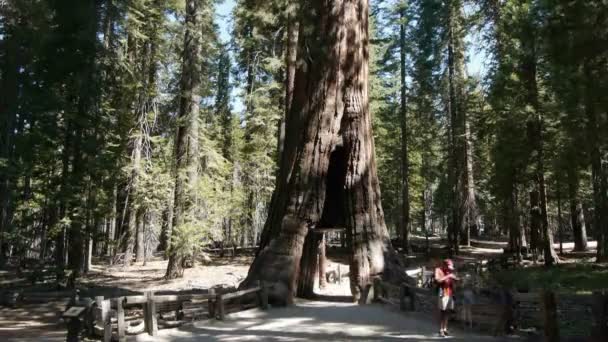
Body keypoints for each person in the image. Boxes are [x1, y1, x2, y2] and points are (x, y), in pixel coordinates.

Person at [435, 259, 459, 337]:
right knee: (442, 312)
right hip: (442, 293)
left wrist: (456, 280)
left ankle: (445, 329)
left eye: (450, 268)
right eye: (448, 267)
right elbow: (438, 280)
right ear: (444, 265)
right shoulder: (438, 270)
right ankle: (441, 329)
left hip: (450, 293)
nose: (449, 269)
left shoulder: (450, 271)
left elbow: (454, 283)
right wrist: (448, 276)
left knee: (447, 312)